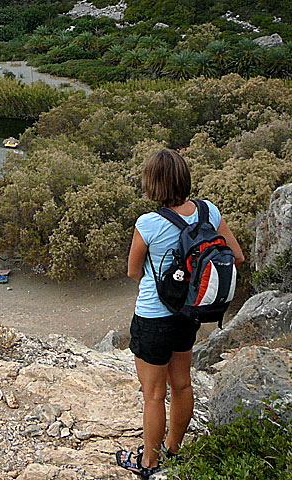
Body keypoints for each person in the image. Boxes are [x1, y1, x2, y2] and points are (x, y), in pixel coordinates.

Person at [118, 149, 245, 478]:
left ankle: (149, 463)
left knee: (154, 393)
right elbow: (237, 256)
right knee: (182, 386)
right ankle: (173, 450)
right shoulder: (209, 212)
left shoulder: (148, 223)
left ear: (152, 184)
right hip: (190, 313)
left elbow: (134, 271)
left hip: (153, 317)